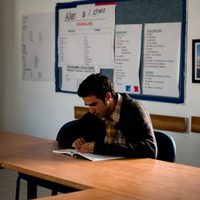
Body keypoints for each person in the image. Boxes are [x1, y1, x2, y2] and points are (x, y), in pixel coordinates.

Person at [57, 73, 157, 158]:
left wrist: (100, 148)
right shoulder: (95, 113)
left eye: (94, 104)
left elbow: (150, 150)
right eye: (87, 105)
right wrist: (73, 141)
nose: (91, 110)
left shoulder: (134, 109)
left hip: (132, 171)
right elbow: (63, 134)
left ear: (107, 97)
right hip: (104, 168)